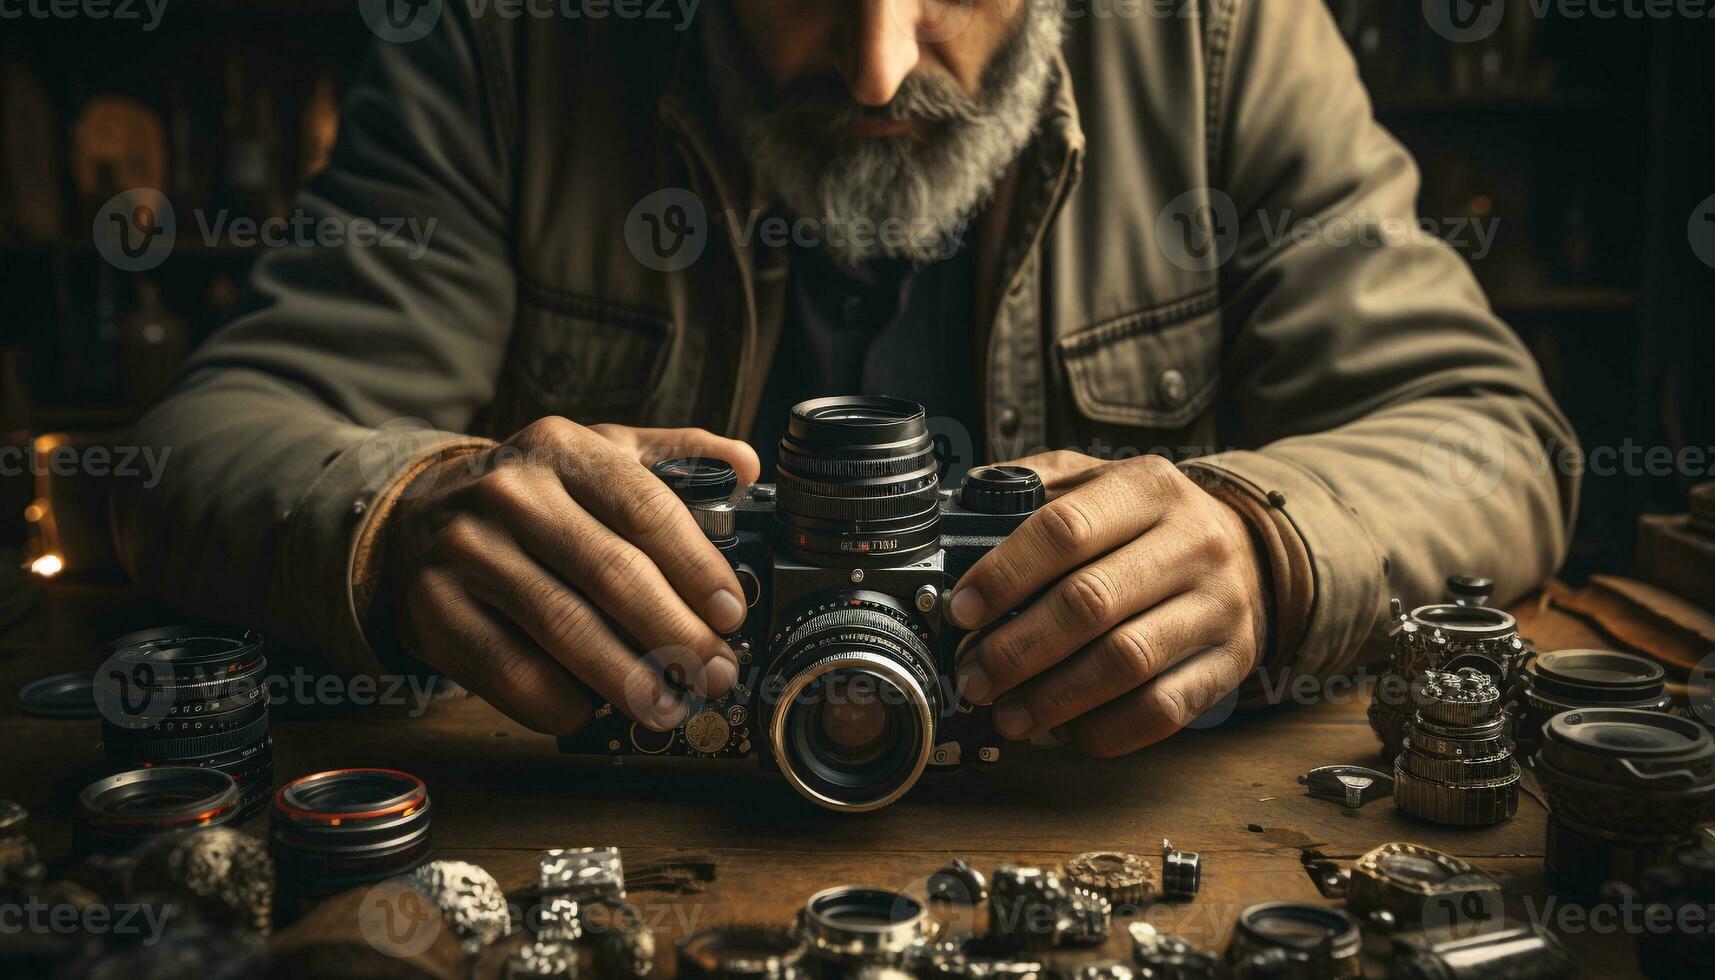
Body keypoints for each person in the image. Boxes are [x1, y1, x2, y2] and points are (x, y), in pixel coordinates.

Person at [114, 0, 1579, 757]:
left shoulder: (1222, 37)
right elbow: (196, 445)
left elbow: (1491, 431)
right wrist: (404, 514)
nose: (877, 67)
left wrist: (1267, 543)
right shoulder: (504, 43)